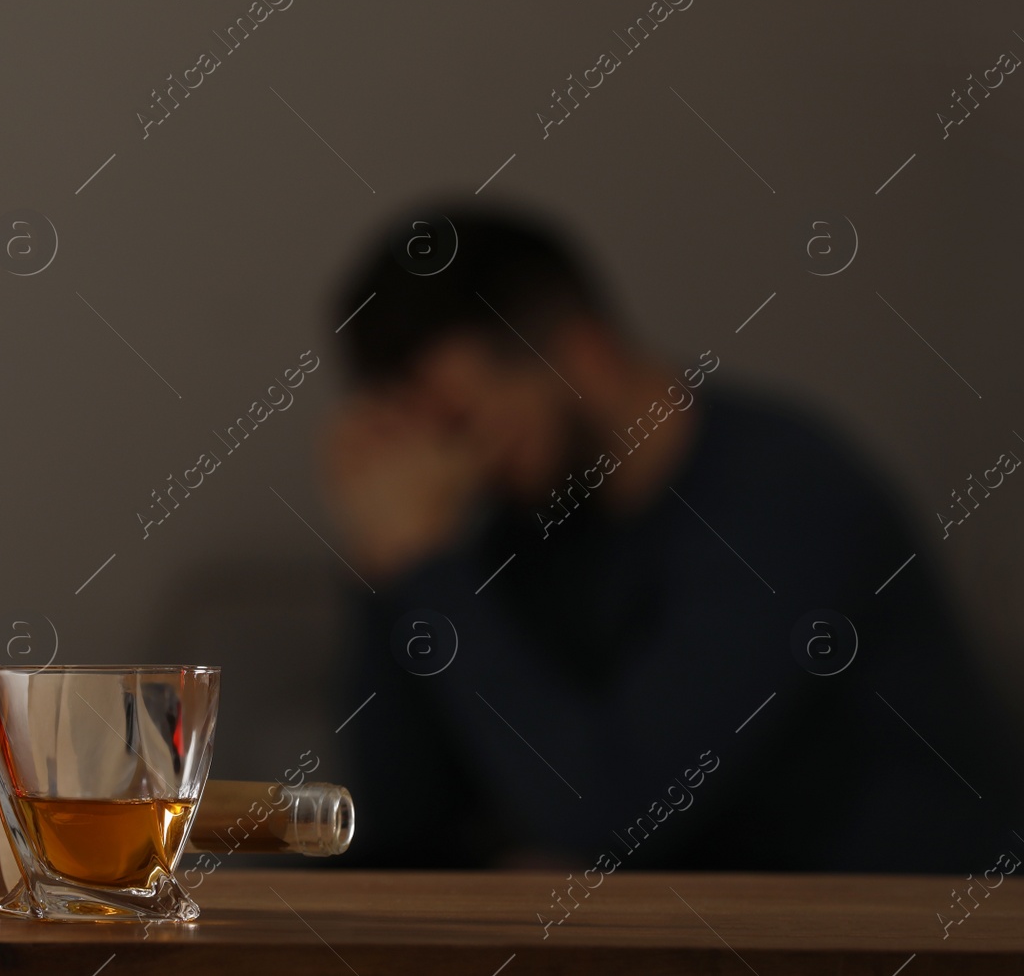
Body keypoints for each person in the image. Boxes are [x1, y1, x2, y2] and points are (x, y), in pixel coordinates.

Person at [323, 203, 1017, 872]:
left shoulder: (783, 497)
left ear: (583, 353)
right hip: (725, 926)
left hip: (915, 930)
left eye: (463, 418)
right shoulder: (530, 522)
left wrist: (427, 569)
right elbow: (403, 824)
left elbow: (612, 811)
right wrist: (389, 571)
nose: (454, 459)